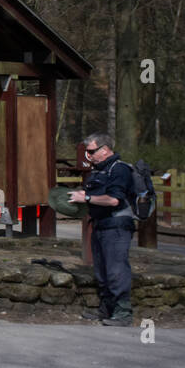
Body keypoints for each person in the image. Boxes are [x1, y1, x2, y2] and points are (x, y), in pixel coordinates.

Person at [69, 133, 135, 326]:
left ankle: (123, 314)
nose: (88, 156)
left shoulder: (119, 169)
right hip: (101, 225)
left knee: (116, 270)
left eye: (91, 151)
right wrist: (85, 194)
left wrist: (87, 199)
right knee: (102, 271)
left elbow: (114, 199)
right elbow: (99, 194)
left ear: (105, 150)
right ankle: (106, 310)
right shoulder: (99, 170)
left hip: (117, 226)